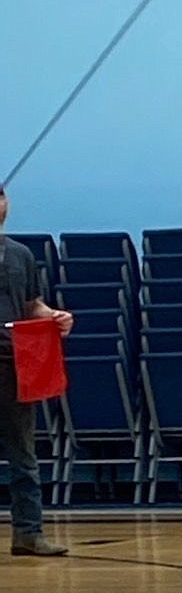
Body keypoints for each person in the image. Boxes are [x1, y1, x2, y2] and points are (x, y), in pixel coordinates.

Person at [0, 185, 72, 557]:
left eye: (1, 196)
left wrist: (54, 317)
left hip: (12, 364)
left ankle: (28, 532)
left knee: (23, 454)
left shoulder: (20, 255)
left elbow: (32, 304)